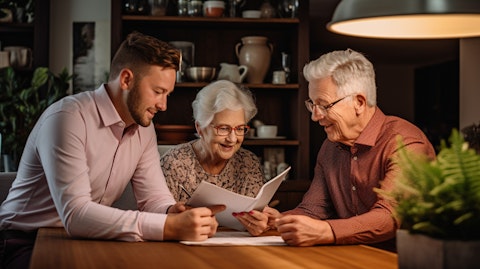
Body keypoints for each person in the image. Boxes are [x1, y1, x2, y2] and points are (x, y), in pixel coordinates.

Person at [0, 32, 224, 269]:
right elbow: (76, 214)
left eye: (167, 94)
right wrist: (168, 226)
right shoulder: (67, 119)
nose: (163, 105)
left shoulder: (144, 129)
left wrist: (173, 211)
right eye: (157, 92)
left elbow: (153, 198)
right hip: (22, 240)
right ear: (126, 80)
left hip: (87, 236)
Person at [234, 49, 436, 250]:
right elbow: (312, 210)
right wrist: (278, 222)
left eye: (324, 105)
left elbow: (389, 217)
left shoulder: (406, 143)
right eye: (312, 105)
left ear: (359, 102)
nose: (315, 116)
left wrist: (325, 231)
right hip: (353, 258)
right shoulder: (330, 147)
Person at [160, 80, 265, 203]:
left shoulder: (249, 163)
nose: (232, 139)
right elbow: (161, 218)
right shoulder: (174, 164)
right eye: (224, 128)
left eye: (240, 128)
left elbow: (254, 213)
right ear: (200, 128)